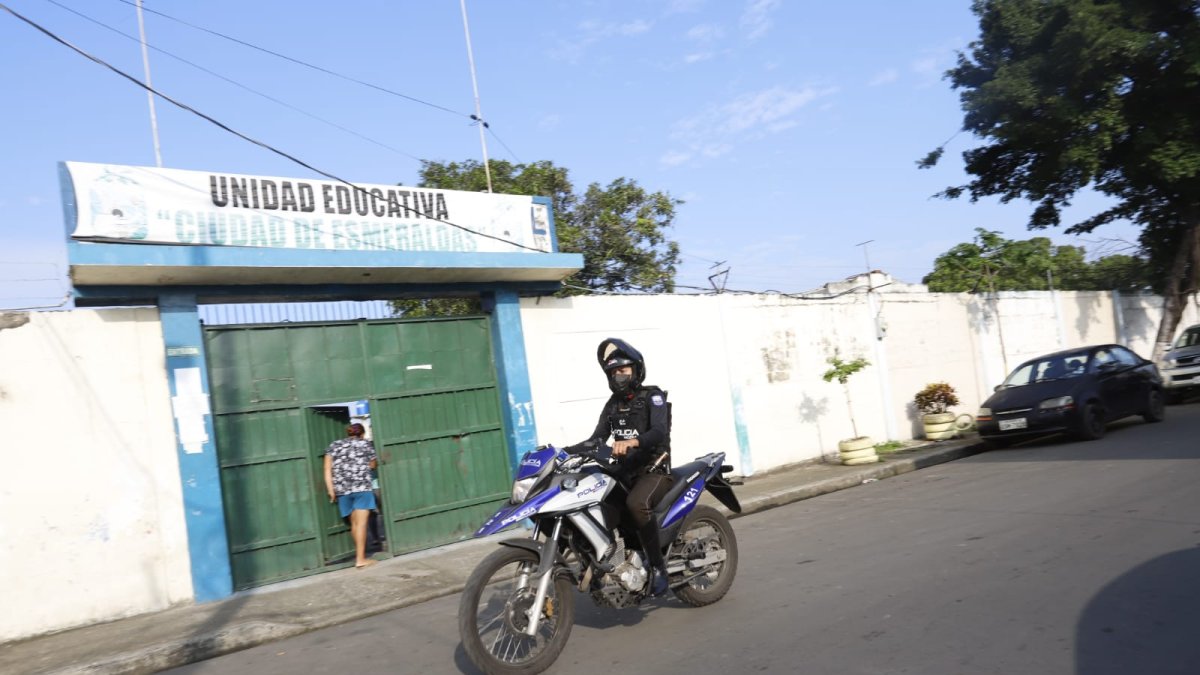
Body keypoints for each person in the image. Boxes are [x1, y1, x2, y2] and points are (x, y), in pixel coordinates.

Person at [565, 338, 673, 596]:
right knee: (592, 503)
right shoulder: (612, 404)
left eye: (623, 371)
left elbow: (659, 431)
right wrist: (564, 451)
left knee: (636, 504)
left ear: (636, 371)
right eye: (613, 372)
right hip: (624, 471)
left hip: (653, 470)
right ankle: (612, 561)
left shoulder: (653, 396)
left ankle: (658, 567)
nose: (618, 377)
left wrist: (634, 441)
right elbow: (597, 439)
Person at [323, 423, 379, 569]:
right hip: (361, 488)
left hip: (342, 490)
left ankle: (360, 556)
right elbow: (373, 465)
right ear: (362, 433)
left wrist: (331, 490)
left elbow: (327, 469)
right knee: (361, 524)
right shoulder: (365, 444)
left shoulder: (334, 445)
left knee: (354, 524)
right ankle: (360, 559)